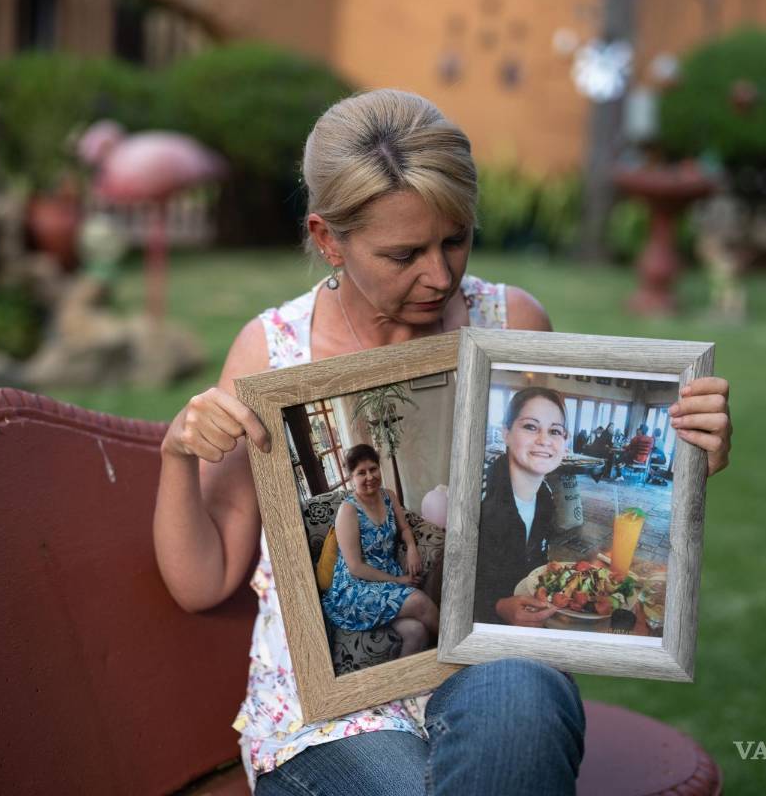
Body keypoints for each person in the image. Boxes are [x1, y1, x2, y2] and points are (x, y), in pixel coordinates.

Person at [152, 88, 733, 796]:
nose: (440, 274)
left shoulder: (510, 320)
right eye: (404, 253)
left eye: (455, 239)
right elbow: (201, 579)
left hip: (492, 666)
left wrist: (687, 455)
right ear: (328, 238)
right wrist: (179, 457)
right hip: (329, 717)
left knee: (522, 702)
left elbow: (555, 508)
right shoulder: (273, 351)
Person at [321, 443, 439, 656]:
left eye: (373, 469)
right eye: (361, 473)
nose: (370, 477)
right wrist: (398, 580)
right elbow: (356, 567)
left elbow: (404, 527)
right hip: (355, 588)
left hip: (385, 577)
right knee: (419, 602)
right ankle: (465, 649)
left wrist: (411, 547)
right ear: (351, 478)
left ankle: (407, 688)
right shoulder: (348, 511)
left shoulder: (388, 495)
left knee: (417, 632)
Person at [474, 387, 569, 626]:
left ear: (564, 443)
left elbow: (534, 567)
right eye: (530, 426)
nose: (544, 440)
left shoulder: (546, 497)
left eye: (555, 431)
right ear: (506, 433)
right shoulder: (478, 497)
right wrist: (498, 607)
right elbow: (450, 583)